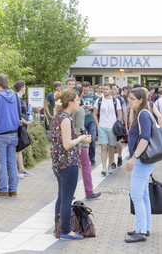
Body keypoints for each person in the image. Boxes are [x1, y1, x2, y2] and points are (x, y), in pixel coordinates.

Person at [50, 88, 90, 240]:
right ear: (71, 102)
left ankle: (58, 228)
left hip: (58, 163)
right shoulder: (66, 119)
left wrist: (80, 137)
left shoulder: (57, 117)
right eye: (78, 100)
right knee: (66, 199)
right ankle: (66, 231)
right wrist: (80, 139)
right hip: (67, 163)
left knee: (61, 197)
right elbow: (67, 145)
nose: (80, 102)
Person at [124, 87, 156, 243]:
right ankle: (144, 227)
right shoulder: (142, 113)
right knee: (143, 196)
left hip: (142, 160)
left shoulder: (143, 114)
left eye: (132, 99)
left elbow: (145, 138)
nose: (129, 101)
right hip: (145, 160)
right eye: (129, 98)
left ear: (141, 100)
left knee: (137, 195)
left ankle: (141, 231)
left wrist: (134, 157)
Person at [0, 74, 21, 197]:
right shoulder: (15, 96)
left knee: (1, 162)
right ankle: (13, 189)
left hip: (0, 134)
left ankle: (2, 189)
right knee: (12, 162)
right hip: (14, 133)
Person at [72, 86, 101, 200]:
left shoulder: (64, 110)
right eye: (80, 99)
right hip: (79, 142)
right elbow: (80, 128)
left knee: (70, 169)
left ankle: (67, 193)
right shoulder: (79, 110)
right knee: (86, 166)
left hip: (69, 141)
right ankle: (89, 191)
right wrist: (83, 140)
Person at [93, 83, 122, 176]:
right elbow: (94, 113)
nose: (104, 91)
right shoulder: (99, 100)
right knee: (103, 146)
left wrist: (117, 125)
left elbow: (120, 114)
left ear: (110, 90)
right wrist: (98, 125)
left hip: (112, 128)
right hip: (102, 126)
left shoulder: (115, 100)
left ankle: (110, 165)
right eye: (103, 89)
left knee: (111, 147)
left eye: (106, 89)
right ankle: (104, 168)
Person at [14, 80, 34, 179]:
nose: (25, 89)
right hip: (19, 127)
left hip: (22, 127)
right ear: (22, 88)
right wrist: (26, 122)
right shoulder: (16, 99)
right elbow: (17, 115)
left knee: (20, 149)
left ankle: (21, 169)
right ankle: (16, 171)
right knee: (17, 149)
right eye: (25, 87)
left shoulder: (20, 99)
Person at [82, 81, 98, 166]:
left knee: (92, 140)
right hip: (82, 120)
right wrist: (81, 107)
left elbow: (98, 107)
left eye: (87, 90)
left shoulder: (94, 96)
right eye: (84, 90)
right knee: (83, 141)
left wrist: (92, 107)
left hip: (92, 120)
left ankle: (92, 158)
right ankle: (84, 158)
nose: (85, 92)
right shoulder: (80, 96)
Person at [112, 84, 127, 167]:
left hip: (117, 124)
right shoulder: (105, 99)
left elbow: (124, 112)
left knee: (117, 142)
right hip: (108, 123)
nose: (114, 90)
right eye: (113, 89)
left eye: (115, 89)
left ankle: (120, 156)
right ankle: (112, 162)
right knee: (110, 144)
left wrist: (124, 125)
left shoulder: (120, 99)